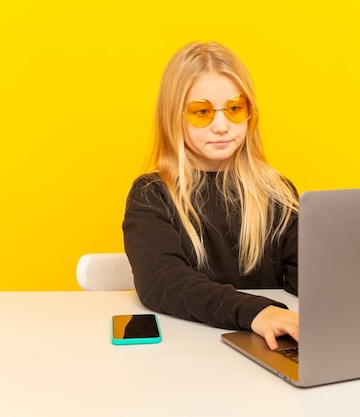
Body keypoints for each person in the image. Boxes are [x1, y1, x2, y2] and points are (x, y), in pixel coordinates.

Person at [122, 41, 299, 350]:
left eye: (234, 109)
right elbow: (162, 281)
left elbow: (308, 277)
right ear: (173, 117)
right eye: (202, 112)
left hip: (268, 347)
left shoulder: (277, 192)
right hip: (187, 351)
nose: (221, 125)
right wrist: (255, 311)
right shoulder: (151, 196)